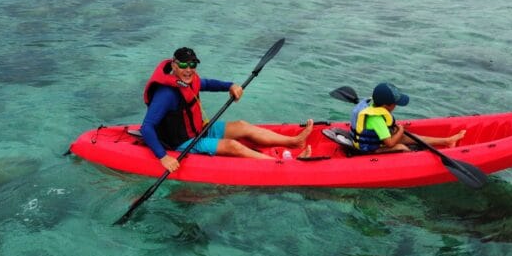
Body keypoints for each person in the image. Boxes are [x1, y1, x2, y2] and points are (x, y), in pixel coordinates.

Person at [141, 46, 313, 172]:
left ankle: (294, 141)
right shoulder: (166, 94)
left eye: (192, 65)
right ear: (174, 65)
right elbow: (146, 127)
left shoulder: (189, 80)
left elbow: (207, 83)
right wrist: (163, 157)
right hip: (182, 142)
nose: (189, 69)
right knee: (233, 146)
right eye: (184, 65)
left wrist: (230, 86)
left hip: (199, 129)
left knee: (242, 125)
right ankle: (284, 166)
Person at [350, 82, 465, 153]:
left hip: (375, 140)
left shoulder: (372, 103)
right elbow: (390, 143)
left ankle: (447, 141)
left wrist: (399, 132)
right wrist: (400, 130)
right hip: (369, 149)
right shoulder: (377, 119)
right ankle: (417, 154)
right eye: (395, 103)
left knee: (412, 137)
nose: (396, 105)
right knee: (402, 146)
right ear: (386, 105)